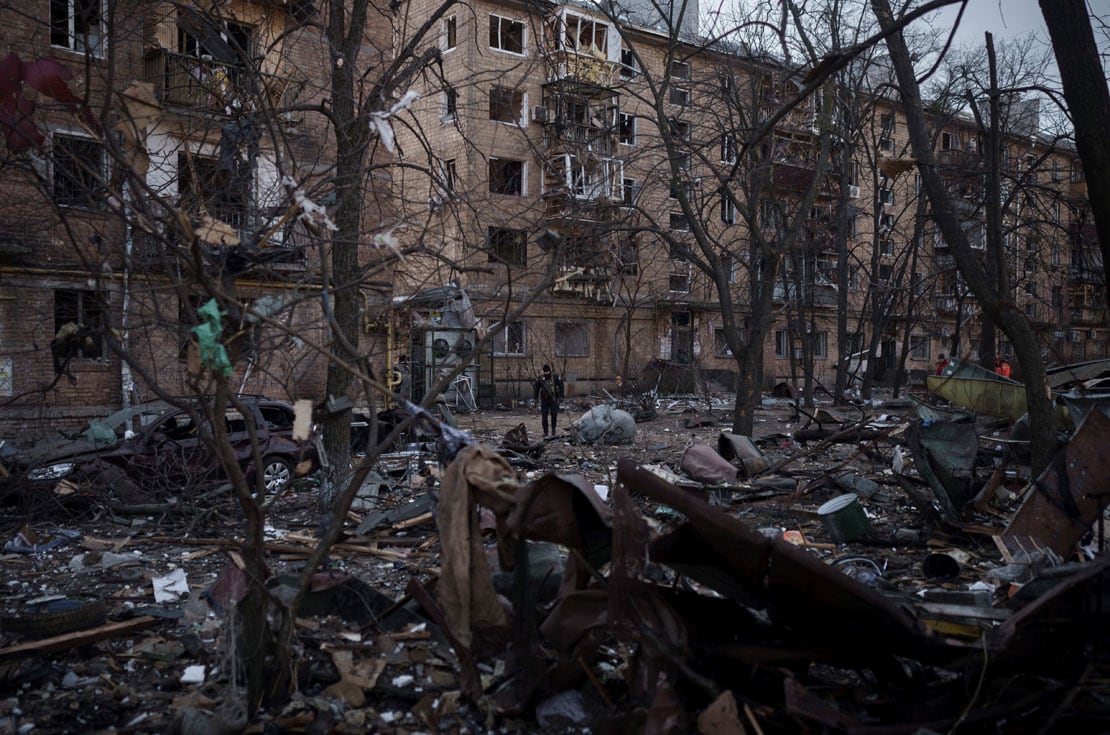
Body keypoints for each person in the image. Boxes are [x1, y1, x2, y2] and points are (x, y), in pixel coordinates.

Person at [533, 363, 564, 438]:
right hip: (545, 399)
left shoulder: (555, 377)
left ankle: (553, 430)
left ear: (549, 371)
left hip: (553, 399)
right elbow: (536, 388)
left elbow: (561, 386)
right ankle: (545, 431)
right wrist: (535, 398)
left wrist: (561, 397)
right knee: (544, 416)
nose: (546, 373)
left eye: (547, 372)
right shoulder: (541, 378)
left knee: (554, 415)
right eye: (545, 372)